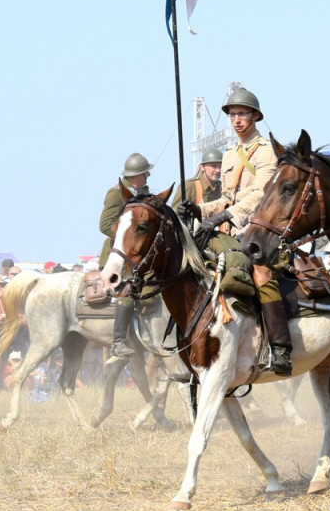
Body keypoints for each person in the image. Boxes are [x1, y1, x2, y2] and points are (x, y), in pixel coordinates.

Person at [178, 87, 293, 375]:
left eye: (242, 114)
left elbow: (261, 195)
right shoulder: (230, 154)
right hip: (231, 230)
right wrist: (200, 210)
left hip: (261, 230)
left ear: (255, 116)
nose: (236, 120)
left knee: (261, 275)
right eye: (232, 115)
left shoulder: (267, 150)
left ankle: (280, 349)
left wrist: (225, 216)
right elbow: (228, 196)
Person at [98, 152, 154, 358]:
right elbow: (104, 225)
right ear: (135, 176)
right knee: (128, 292)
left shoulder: (140, 192)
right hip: (117, 257)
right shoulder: (116, 193)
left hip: (134, 257)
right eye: (145, 173)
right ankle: (119, 341)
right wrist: (127, 239)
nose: (148, 176)